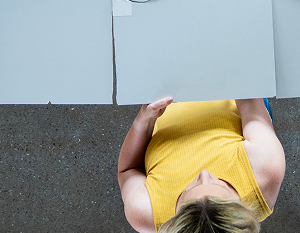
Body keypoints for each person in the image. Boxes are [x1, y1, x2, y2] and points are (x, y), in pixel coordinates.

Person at [118, 97, 284, 232]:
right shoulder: (265, 170)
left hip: (164, 102)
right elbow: (247, 95)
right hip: (230, 95)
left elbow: (128, 169)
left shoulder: (146, 212)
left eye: (188, 189)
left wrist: (144, 120)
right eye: (224, 186)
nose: (204, 173)